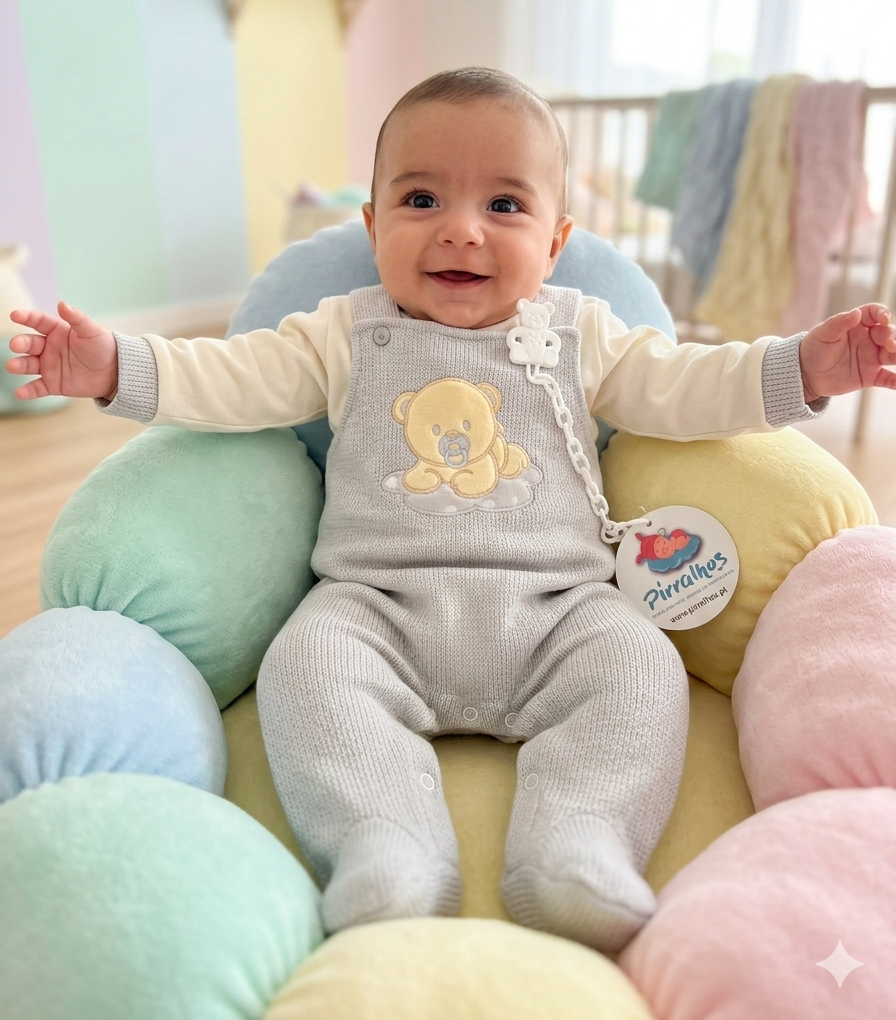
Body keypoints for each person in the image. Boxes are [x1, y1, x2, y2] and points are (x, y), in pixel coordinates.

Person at [8, 68, 896, 953]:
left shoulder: (583, 333)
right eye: (422, 198)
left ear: (556, 242)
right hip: (377, 609)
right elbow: (232, 378)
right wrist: (117, 367)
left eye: (505, 206)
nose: (461, 231)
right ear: (372, 225)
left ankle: (577, 843)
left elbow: (691, 387)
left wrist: (803, 369)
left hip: (561, 611)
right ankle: (385, 849)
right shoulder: (340, 332)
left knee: (641, 672)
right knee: (303, 671)